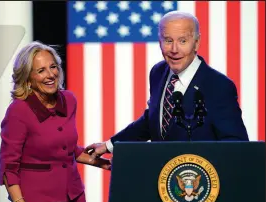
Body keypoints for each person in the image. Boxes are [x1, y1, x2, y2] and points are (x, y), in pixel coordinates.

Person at [84, 11, 249, 159]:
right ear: (159, 42)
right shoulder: (158, 72)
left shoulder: (218, 85)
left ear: (196, 43)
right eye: (168, 40)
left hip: (199, 183)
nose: (174, 49)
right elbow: (153, 120)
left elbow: (236, 145)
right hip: (162, 179)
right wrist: (109, 145)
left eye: (183, 41)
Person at [0, 41, 111, 202]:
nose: (51, 75)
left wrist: (104, 163)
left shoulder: (69, 100)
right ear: (28, 78)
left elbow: (67, 150)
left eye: (53, 67)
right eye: (41, 70)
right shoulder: (18, 111)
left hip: (74, 199)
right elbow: (8, 168)